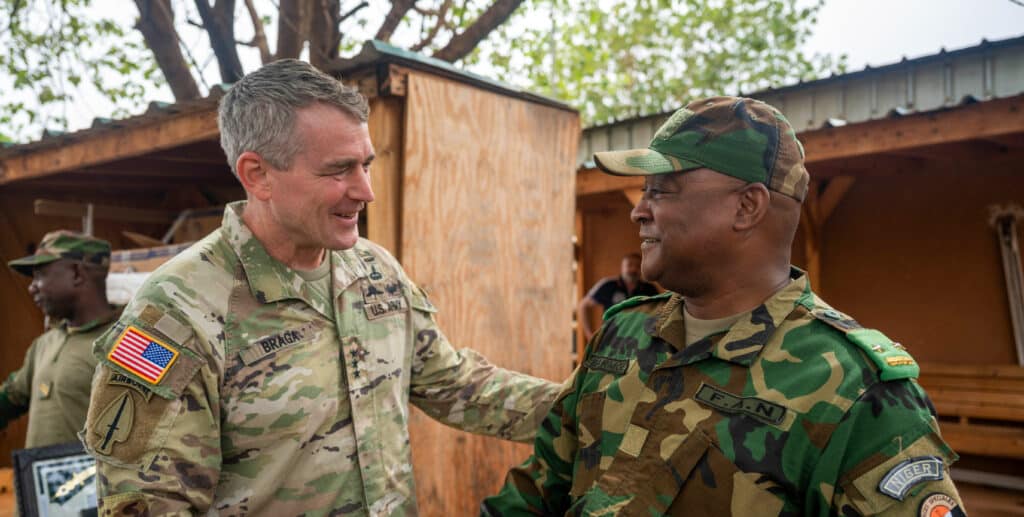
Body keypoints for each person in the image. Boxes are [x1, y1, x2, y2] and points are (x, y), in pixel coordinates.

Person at [81, 59, 561, 515]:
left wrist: (597, 401)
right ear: (259, 174)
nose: (365, 190)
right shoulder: (175, 311)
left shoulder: (375, 270)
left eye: (366, 165)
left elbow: (455, 385)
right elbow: (147, 504)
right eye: (339, 170)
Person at [483, 96, 965, 516]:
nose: (639, 209)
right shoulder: (622, 335)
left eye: (661, 190)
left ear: (746, 207)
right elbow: (536, 492)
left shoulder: (858, 393)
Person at [0, 231, 119, 448]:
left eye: (40, 275)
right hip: (36, 480)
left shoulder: (126, 342)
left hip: (94, 481)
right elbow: (12, 398)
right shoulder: (45, 344)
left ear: (76, 273)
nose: (31, 287)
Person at [577, 253, 659, 341]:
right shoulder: (608, 285)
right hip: (610, 340)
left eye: (638, 266)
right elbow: (583, 305)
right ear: (622, 267)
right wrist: (589, 335)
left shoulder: (650, 289)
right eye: (629, 265)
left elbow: (660, 311)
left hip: (640, 341)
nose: (633, 269)